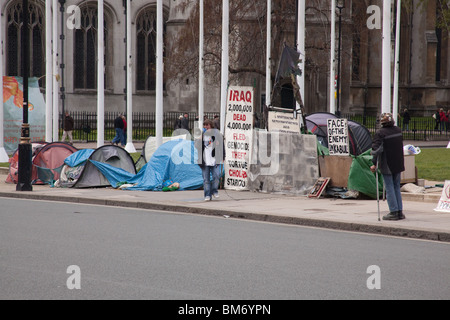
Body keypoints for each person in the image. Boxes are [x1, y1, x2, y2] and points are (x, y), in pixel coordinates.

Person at [370, 113, 405, 221]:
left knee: (389, 187)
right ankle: (399, 211)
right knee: (396, 187)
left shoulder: (381, 133)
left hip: (387, 163)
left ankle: (393, 211)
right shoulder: (398, 130)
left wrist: (374, 163)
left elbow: (376, 150)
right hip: (398, 162)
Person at [196, 119, 224, 201]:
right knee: (206, 179)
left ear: (211, 126)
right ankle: (207, 194)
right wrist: (200, 138)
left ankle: (214, 191)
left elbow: (221, 146)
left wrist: (223, 156)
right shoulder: (202, 135)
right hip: (205, 161)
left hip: (215, 159)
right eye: (204, 125)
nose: (205, 127)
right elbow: (196, 146)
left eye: (207, 125)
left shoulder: (216, 134)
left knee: (216, 176)